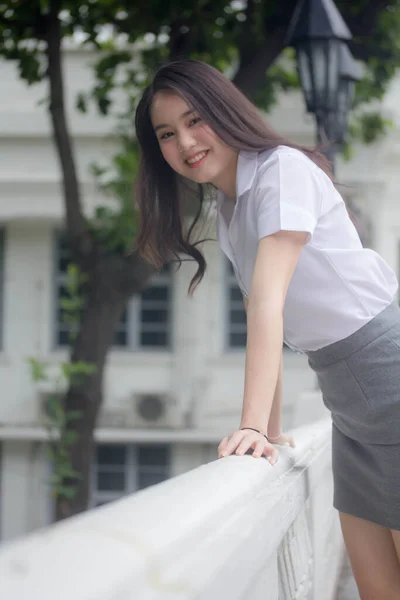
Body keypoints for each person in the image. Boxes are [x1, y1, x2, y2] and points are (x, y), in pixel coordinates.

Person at [133, 59, 400, 598]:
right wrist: (270, 431)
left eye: (195, 120)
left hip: (388, 374)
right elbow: (268, 316)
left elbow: (267, 305)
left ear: (224, 111)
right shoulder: (231, 208)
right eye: (167, 133)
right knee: (377, 585)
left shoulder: (280, 170)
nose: (185, 142)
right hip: (346, 399)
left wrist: (250, 426)